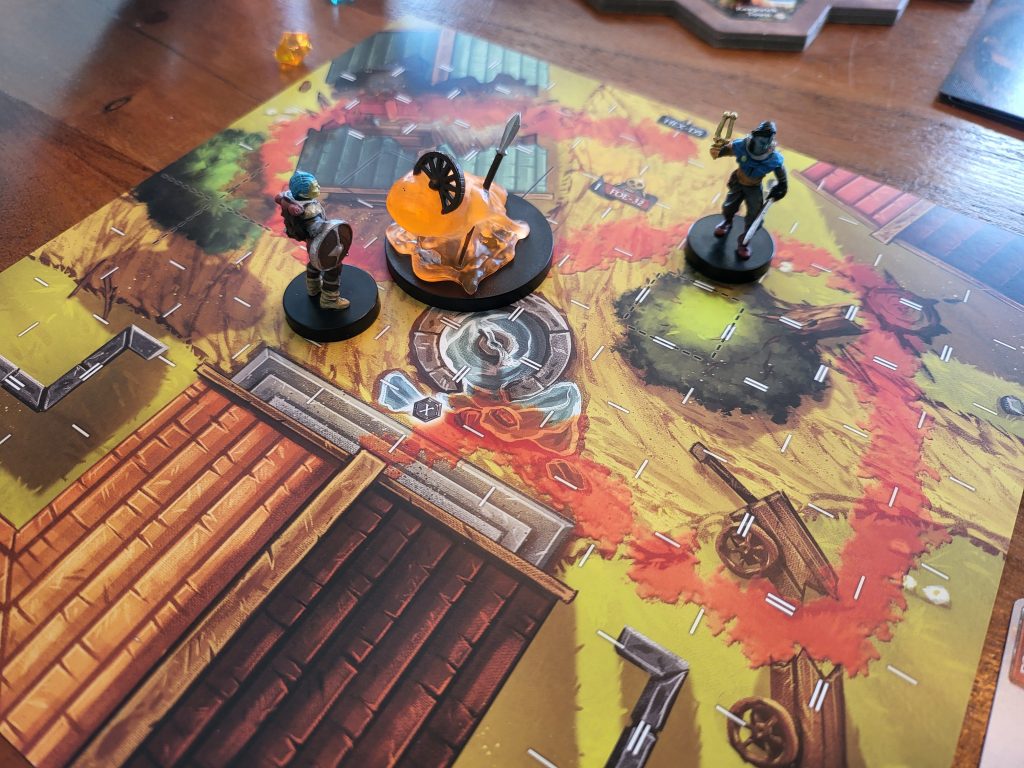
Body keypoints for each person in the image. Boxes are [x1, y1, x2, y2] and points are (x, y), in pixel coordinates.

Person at [709, 121, 788, 259]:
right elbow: (724, 151)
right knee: (729, 206)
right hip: (738, 182)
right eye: (761, 141)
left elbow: (781, 177)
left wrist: (782, 186)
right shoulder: (742, 145)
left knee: (755, 216)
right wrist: (718, 150)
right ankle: (727, 222)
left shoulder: (774, 158)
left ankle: (744, 242)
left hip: (754, 187)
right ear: (755, 137)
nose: (764, 145)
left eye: (767, 142)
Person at [275, 171, 350, 310]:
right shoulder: (310, 211)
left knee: (314, 262)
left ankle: (313, 287)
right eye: (315, 186)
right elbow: (319, 230)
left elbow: (278, 197)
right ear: (304, 194)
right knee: (333, 267)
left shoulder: (291, 197)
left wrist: (289, 205)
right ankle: (329, 299)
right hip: (319, 242)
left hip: (312, 243)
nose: (319, 187)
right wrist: (337, 243)